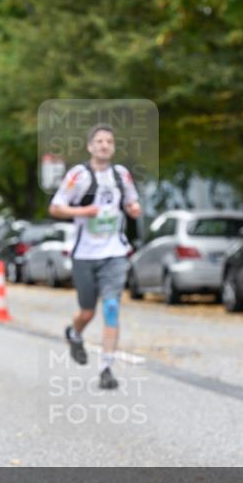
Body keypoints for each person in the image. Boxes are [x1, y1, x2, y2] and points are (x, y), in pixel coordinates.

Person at [48, 123, 142, 390]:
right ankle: (74, 333)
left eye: (109, 142)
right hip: (85, 255)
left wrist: (134, 209)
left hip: (115, 253)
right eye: (99, 141)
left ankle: (106, 368)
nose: (104, 146)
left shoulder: (121, 175)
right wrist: (83, 212)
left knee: (111, 306)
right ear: (90, 146)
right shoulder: (79, 175)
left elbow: (132, 202)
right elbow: (55, 208)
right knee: (87, 312)